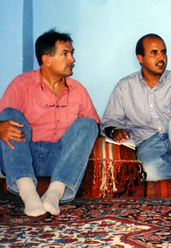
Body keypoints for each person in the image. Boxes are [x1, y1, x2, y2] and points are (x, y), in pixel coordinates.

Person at [101, 33, 171, 206]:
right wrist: (114, 130)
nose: (161, 57)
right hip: (149, 144)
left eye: (163, 52)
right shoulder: (124, 87)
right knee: (149, 172)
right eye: (154, 52)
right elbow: (108, 121)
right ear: (140, 58)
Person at [0, 30, 100, 217]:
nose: (72, 59)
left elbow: (92, 128)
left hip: (59, 160)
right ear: (47, 60)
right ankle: (28, 193)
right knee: (8, 114)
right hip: (24, 153)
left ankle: (54, 193)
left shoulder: (77, 89)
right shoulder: (21, 84)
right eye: (65, 54)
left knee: (88, 124)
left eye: (72, 53)